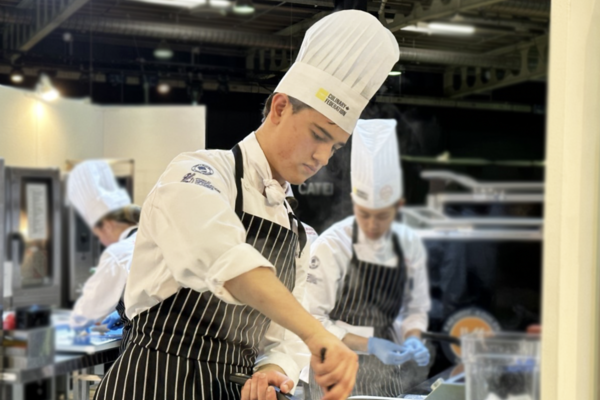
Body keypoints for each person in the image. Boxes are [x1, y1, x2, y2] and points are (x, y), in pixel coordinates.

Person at [93, 10, 399, 400]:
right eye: (318, 136)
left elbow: (283, 337)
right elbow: (224, 258)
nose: (323, 156)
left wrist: (272, 371)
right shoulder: (199, 173)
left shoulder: (297, 234)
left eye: (335, 147)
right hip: (153, 384)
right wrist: (317, 333)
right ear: (280, 108)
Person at [306, 119, 431, 397]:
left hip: (388, 375)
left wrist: (413, 339)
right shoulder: (332, 245)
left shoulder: (408, 243)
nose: (373, 225)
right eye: (364, 214)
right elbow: (312, 320)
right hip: (334, 369)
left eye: (383, 216)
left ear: (398, 206)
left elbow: (416, 308)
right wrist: (370, 344)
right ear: (354, 202)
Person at [68, 160, 140, 352]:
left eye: (98, 235)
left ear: (108, 225)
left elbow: (86, 314)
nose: (102, 242)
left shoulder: (119, 253)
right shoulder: (151, 239)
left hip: (145, 350)